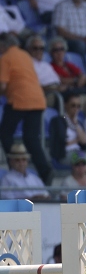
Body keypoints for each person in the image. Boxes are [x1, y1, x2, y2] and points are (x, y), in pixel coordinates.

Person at [0, 33, 51, 185]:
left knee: (5, 134)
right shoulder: (25, 55)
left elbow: (2, 85)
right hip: (37, 99)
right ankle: (45, 171)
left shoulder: (5, 58)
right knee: (31, 139)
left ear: (4, 45)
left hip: (19, 99)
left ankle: (14, 165)